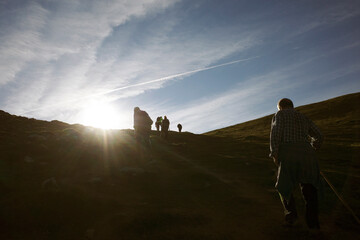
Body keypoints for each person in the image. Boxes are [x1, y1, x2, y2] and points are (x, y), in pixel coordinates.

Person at [269, 98, 323, 229]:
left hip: (288, 153)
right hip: (307, 154)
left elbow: (276, 133)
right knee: (309, 188)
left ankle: (291, 217)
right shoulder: (303, 116)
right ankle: (313, 225)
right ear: (292, 106)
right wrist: (313, 146)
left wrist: (274, 153)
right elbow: (319, 135)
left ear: (281, 107)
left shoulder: (280, 115)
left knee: (283, 185)